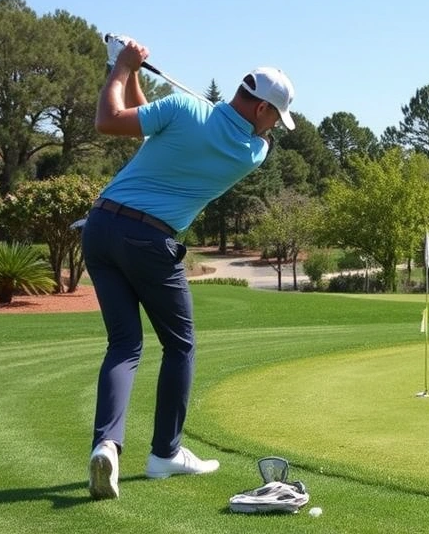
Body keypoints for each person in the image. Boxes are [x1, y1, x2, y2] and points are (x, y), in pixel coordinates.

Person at [83, 37, 295, 500]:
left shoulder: (181, 109)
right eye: (276, 117)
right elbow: (116, 124)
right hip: (149, 240)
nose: (274, 127)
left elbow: (127, 123)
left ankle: (107, 445)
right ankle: (165, 454)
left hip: (99, 227)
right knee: (180, 346)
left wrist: (123, 68)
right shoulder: (251, 153)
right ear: (262, 111)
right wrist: (127, 70)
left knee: (124, 343)